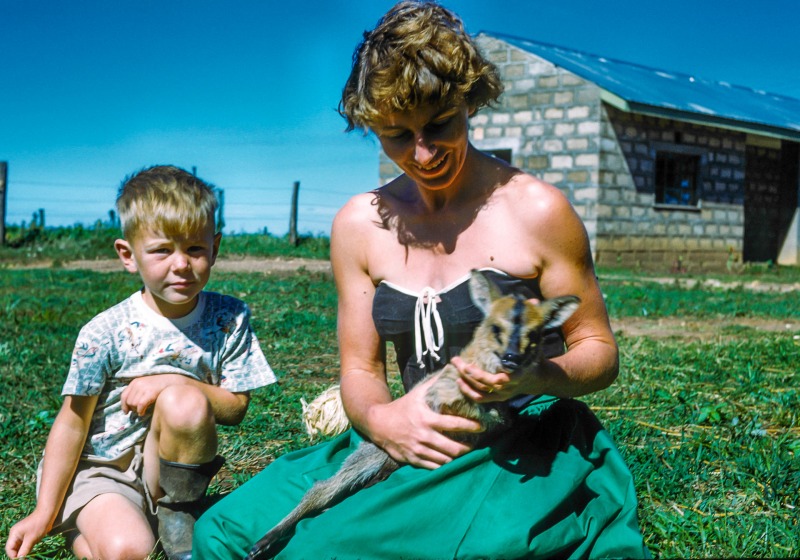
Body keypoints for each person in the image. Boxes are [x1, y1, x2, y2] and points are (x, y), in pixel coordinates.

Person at [194, 1, 649, 558]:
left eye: (439, 125)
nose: (423, 152)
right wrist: (384, 420)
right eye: (396, 135)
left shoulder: (536, 209)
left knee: (336, 550)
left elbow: (598, 351)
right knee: (222, 533)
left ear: (468, 102)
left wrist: (535, 374)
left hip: (513, 435)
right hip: (402, 428)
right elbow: (360, 369)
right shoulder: (359, 223)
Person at [5, 165, 277, 560]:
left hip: (168, 473)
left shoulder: (229, 317)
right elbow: (72, 421)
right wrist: (43, 512)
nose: (181, 264)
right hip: (103, 469)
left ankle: (177, 514)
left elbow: (235, 407)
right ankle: (82, 524)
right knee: (130, 549)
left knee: (184, 400)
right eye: (163, 250)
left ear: (215, 248)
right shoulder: (105, 331)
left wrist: (172, 381)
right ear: (128, 255)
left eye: (195, 249)